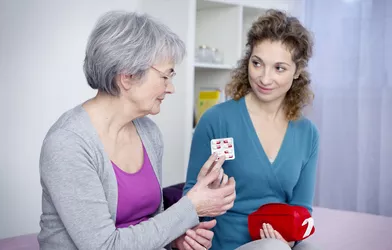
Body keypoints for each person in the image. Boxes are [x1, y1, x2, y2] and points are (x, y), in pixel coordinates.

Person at [37, 11, 236, 250]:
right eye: (165, 76)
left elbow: (153, 223)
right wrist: (191, 207)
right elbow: (104, 247)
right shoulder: (68, 144)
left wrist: (176, 239)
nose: (170, 88)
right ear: (127, 77)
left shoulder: (149, 133)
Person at [183, 9, 320, 250]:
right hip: (226, 244)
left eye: (279, 68)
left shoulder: (307, 134)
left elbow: (302, 211)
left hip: (280, 243)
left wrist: (290, 239)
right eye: (257, 64)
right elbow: (190, 198)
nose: (265, 79)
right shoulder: (217, 120)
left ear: (297, 71)